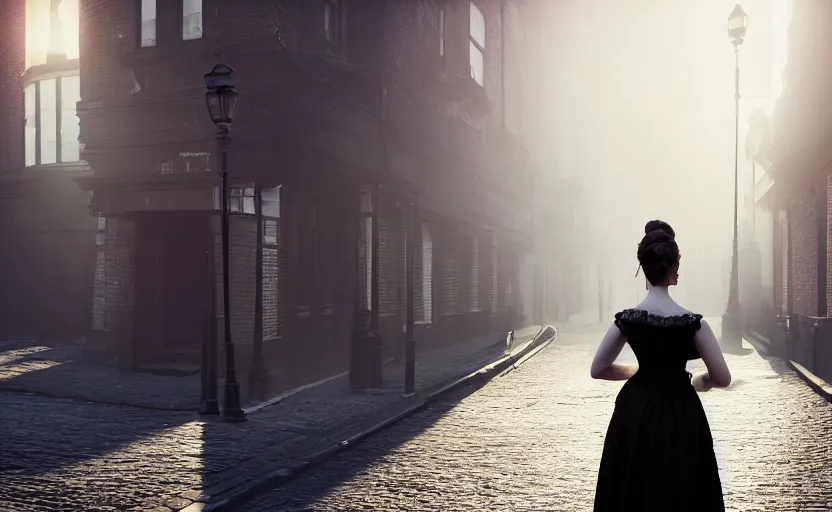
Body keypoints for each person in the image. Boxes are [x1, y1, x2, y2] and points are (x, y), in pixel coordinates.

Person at [590, 220, 732, 511]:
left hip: (634, 410)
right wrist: (699, 380)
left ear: (644, 268)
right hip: (681, 412)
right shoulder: (693, 323)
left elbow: (599, 369)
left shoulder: (627, 319)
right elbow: (723, 377)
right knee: (682, 487)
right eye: (678, 263)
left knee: (633, 486)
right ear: (672, 267)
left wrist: (638, 372)